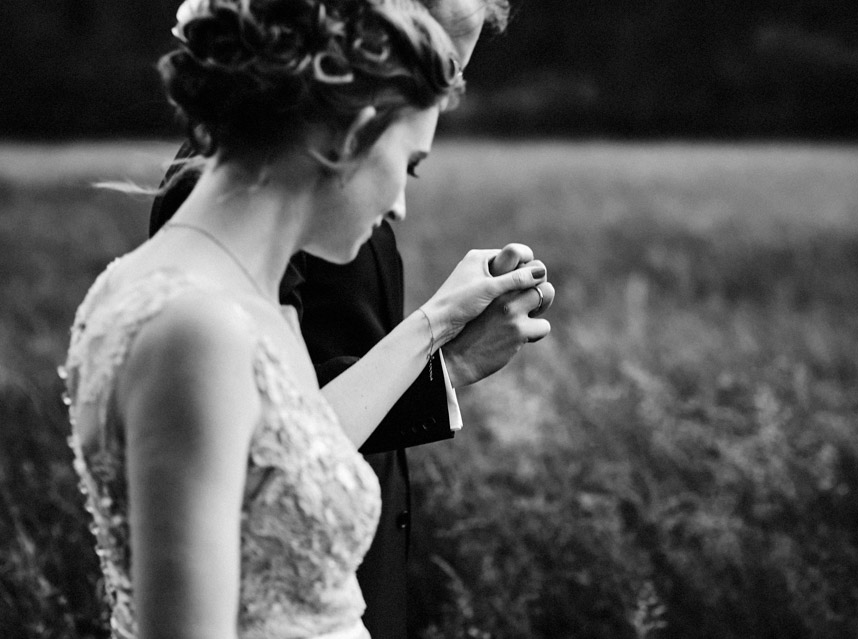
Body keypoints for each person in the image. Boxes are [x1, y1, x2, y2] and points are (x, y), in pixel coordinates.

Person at [61, 1, 552, 637]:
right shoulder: (197, 329)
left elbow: (288, 454)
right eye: (409, 165)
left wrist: (440, 331)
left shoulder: (238, 302)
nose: (400, 207)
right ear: (353, 135)